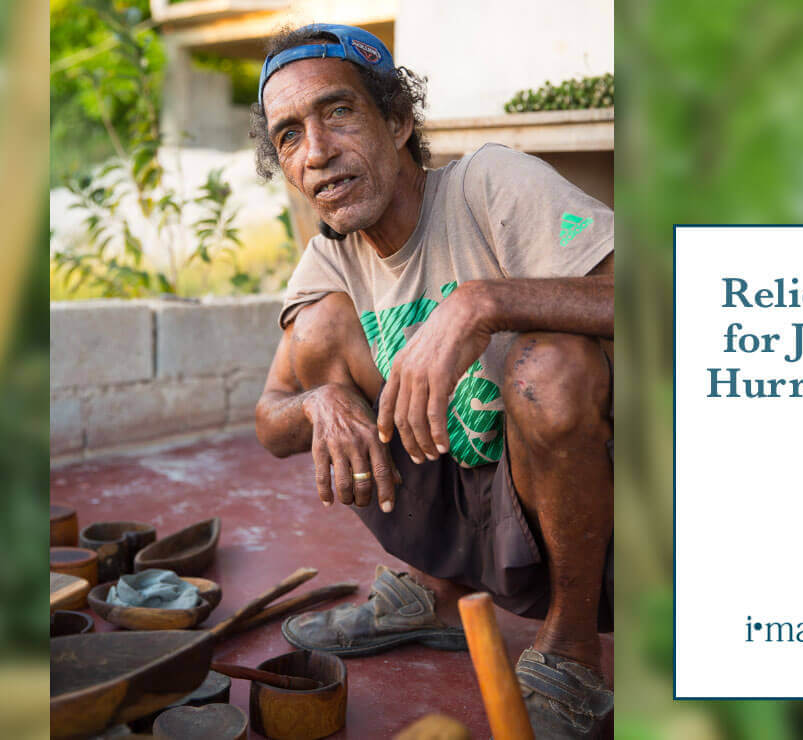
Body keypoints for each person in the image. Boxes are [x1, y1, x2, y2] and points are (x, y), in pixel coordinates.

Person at [250, 24, 614, 738]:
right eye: (289, 135)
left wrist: (484, 302)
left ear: (397, 118)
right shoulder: (330, 262)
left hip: (562, 502)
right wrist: (319, 401)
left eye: (338, 112)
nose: (317, 152)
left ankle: (571, 649)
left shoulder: (488, 183)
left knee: (552, 369)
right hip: (449, 509)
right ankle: (438, 592)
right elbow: (269, 420)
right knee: (317, 336)